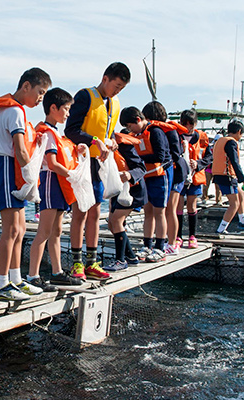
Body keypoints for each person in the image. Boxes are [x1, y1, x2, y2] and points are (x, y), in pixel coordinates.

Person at [0, 68, 51, 300]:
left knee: (20, 229)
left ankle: (16, 279)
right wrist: (31, 175)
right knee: (11, 229)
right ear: (26, 86)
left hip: (12, 169)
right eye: (40, 92)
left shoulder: (16, 110)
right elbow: (20, 149)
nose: (41, 98)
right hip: (6, 167)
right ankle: (1, 284)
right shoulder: (14, 110)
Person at [64, 63, 130, 281]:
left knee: (95, 213)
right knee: (80, 212)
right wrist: (94, 141)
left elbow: (108, 131)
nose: (117, 91)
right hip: (82, 161)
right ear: (105, 79)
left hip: (100, 164)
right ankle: (77, 263)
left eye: (121, 88)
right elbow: (71, 130)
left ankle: (92, 262)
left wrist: (110, 142)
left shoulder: (114, 103)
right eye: (116, 86)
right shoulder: (85, 97)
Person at [26, 88, 86, 289]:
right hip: (51, 181)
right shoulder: (48, 132)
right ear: (53, 108)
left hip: (59, 183)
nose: (68, 114)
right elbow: (52, 163)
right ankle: (33, 275)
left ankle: (57, 271)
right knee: (44, 230)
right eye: (66, 109)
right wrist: (72, 175)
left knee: (57, 230)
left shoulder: (56, 133)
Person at [120, 105, 169, 263]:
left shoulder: (155, 131)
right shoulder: (137, 134)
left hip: (158, 176)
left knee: (159, 212)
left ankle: (160, 247)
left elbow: (160, 155)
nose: (130, 129)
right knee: (148, 211)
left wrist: (140, 161)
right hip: (145, 177)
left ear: (138, 120)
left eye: (129, 126)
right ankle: (147, 244)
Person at [141, 103, 189, 256]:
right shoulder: (152, 130)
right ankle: (156, 242)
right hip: (160, 172)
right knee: (158, 209)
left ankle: (172, 243)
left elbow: (175, 153)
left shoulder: (168, 131)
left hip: (175, 172)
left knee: (170, 208)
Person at [104, 127, 147, 271]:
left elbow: (141, 167)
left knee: (117, 221)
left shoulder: (124, 145)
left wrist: (129, 175)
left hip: (132, 189)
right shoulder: (101, 147)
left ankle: (120, 261)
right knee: (112, 223)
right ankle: (131, 257)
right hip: (116, 189)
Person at [212, 121, 244, 233]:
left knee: (240, 194)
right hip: (227, 176)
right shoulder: (231, 143)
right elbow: (235, 162)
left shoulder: (220, 141)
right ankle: (221, 229)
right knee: (234, 204)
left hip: (219, 175)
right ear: (239, 132)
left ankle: (242, 220)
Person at [176, 110, 209, 248]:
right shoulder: (176, 135)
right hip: (180, 177)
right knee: (177, 207)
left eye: (191, 124)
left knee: (191, 206)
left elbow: (209, 157)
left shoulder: (202, 137)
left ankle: (192, 236)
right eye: (185, 124)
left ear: (196, 123)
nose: (188, 127)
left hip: (195, 177)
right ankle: (178, 236)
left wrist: (198, 164)